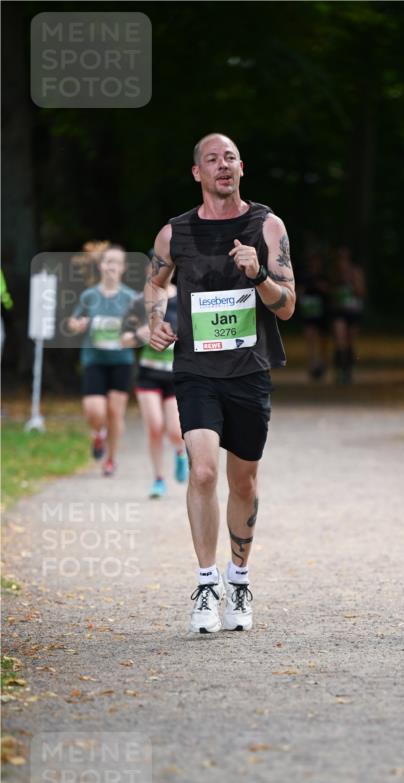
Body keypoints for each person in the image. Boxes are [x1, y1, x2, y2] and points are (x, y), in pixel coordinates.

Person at [146, 132, 295, 633]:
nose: (222, 166)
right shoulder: (175, 234)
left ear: (242, 167)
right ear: (197, 173)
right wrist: (155, 320)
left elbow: (288, 306)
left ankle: (240, 578)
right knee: (204, 472)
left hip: (249, 372)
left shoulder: (266, 226)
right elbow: (154, 282)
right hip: (196, 371)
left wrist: (259, 276)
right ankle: (207, 583)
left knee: (243, 482)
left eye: (229, 157)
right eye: (212, 160)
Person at [121, 255, 188, 498]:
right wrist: (140, 335)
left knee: (174, 429)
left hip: (175, 375)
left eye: (168, 266)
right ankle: (158, 478)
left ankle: (180, 453)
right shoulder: (140, 301)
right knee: (154, 427)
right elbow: (123, 339)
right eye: (156, 265)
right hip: (148, 375)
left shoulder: (184, 298)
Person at [68, 245, 135, 475]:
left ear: (123, 268)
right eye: (108, 261)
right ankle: (98, 433)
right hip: (94, 358)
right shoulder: (89, 296)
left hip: (121, 360)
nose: (111, 266)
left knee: (115, 413)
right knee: (94, 411)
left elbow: (140, 326)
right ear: (100, 265)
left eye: (116, 262)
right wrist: (78, 324)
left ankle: (111, 459)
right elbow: (73, 322)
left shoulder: (129, 297)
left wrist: (132, 335)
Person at [331, 246, 365, 384]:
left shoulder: (356, 272)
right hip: (339, 312)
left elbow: (361, 292)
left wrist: (351, 281)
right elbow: (330, 294)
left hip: (353, 310)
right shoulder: (334, 274)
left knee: (350, 342)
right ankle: (339, 369)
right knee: (340, 341)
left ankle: (348, 370)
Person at [298, 251, 330, 380]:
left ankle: (323, 363)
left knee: (323, 340)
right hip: (309, 313)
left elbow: (330, 291)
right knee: (310, 337)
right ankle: (312, 365)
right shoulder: (304, 276)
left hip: (323, 313)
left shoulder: (324, 276)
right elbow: (297, 292)